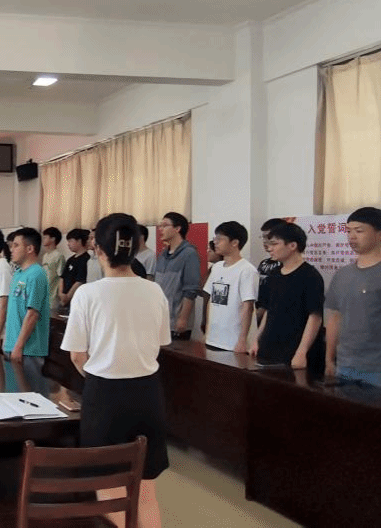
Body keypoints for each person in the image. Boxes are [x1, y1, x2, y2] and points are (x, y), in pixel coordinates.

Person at [61, 213, 170, 528]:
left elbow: (77, 356)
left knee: (109, 489)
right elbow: (159, 344)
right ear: (134, 248)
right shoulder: (155, 291)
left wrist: (101, 373)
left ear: (98, 249)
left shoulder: (88, 294)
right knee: (146, 491)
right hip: (148, 393)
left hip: (105, 396)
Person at [324, 207, 381, 389]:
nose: (352, 237)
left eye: (359, 231)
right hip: (344, 366)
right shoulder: (342, 275)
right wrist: (329, 359)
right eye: (348, 231)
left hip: (379, 370)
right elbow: (335, 318)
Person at [252, 223, 325, 371]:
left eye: (274, 244)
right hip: (268, 347)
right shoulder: (274, 274)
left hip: (294, 351)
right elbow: (268, 310)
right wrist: (256, 339)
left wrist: (301, 351)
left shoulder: (310, 276)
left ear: (292, 246)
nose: (269, 248)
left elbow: (315, 317)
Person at [202, 222, 258, 353]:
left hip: (233, 342)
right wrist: (208, 332)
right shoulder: (216, 267)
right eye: (215, 238)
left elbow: (247, 306)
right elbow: (211, 300)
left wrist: (242, 340)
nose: (215, 242)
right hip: (213, 338)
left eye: (220, 239)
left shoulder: (247, 270)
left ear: (235, 243)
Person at [3, 228, 51, 370]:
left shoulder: (36, 274)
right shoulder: (18, 274)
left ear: (30, 249)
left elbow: (32, 314)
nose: (11, 249)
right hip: (11, 345)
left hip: (28, 349)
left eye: (16, 245)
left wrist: (19, 346)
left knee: (28, 384)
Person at [154, 212, 200, 340]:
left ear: (177, 228)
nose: (160, 229)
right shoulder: (163, 255)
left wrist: (183, 318)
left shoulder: (189, 254)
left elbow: (190, 290)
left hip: (177, 323)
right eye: (160, 226)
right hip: (161, 320)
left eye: (165, 225)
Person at [256, 218, 287, 325]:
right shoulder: (263, 263)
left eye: (268, 237)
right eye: (263, 237)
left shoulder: (285, 266)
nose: (265, 241)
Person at [58, 229, 91, 309]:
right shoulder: (70, 259)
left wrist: (67, 297)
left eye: (70, 241)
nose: (68, 244)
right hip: (64, 299)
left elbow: (80, 281)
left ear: (79, 241)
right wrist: (61, 293)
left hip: (76, 300)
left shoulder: (86, 259)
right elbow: (62, 278)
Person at [41, 228, 66, 311]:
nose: (43, 239)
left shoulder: (59, 256)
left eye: (45, 237)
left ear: (53, 239)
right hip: (44, 294)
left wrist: (60, 294)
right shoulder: (45, 256)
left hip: (53, 296)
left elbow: (61, 277)